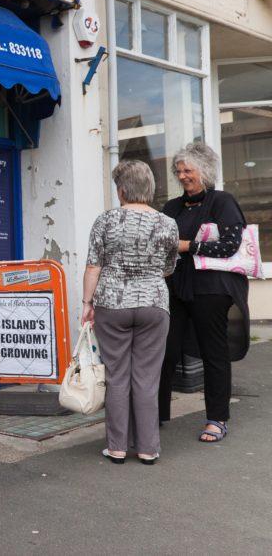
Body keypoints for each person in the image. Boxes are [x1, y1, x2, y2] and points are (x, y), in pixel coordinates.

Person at [83, 160, 179, 465]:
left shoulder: (105, 221)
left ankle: (118, 447)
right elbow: (169, 267)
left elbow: (93, 266)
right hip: (153, 304)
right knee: (147, 378)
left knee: (117, 377)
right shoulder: (168, 223)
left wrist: (87, 303)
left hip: (112, 304)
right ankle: (149, 449)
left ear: (122, 189)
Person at [160, 142, 249, 443]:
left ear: (205, 171)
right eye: (179, 171)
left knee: (213, 353)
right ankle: (156, 414)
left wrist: (188, 246)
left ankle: (217, 418)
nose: (183, 176)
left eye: (189, 170)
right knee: (166, 350)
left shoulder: (222, 202)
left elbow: (229, 245)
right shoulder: (171, 207)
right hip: (176, 285)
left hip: (212, 289)